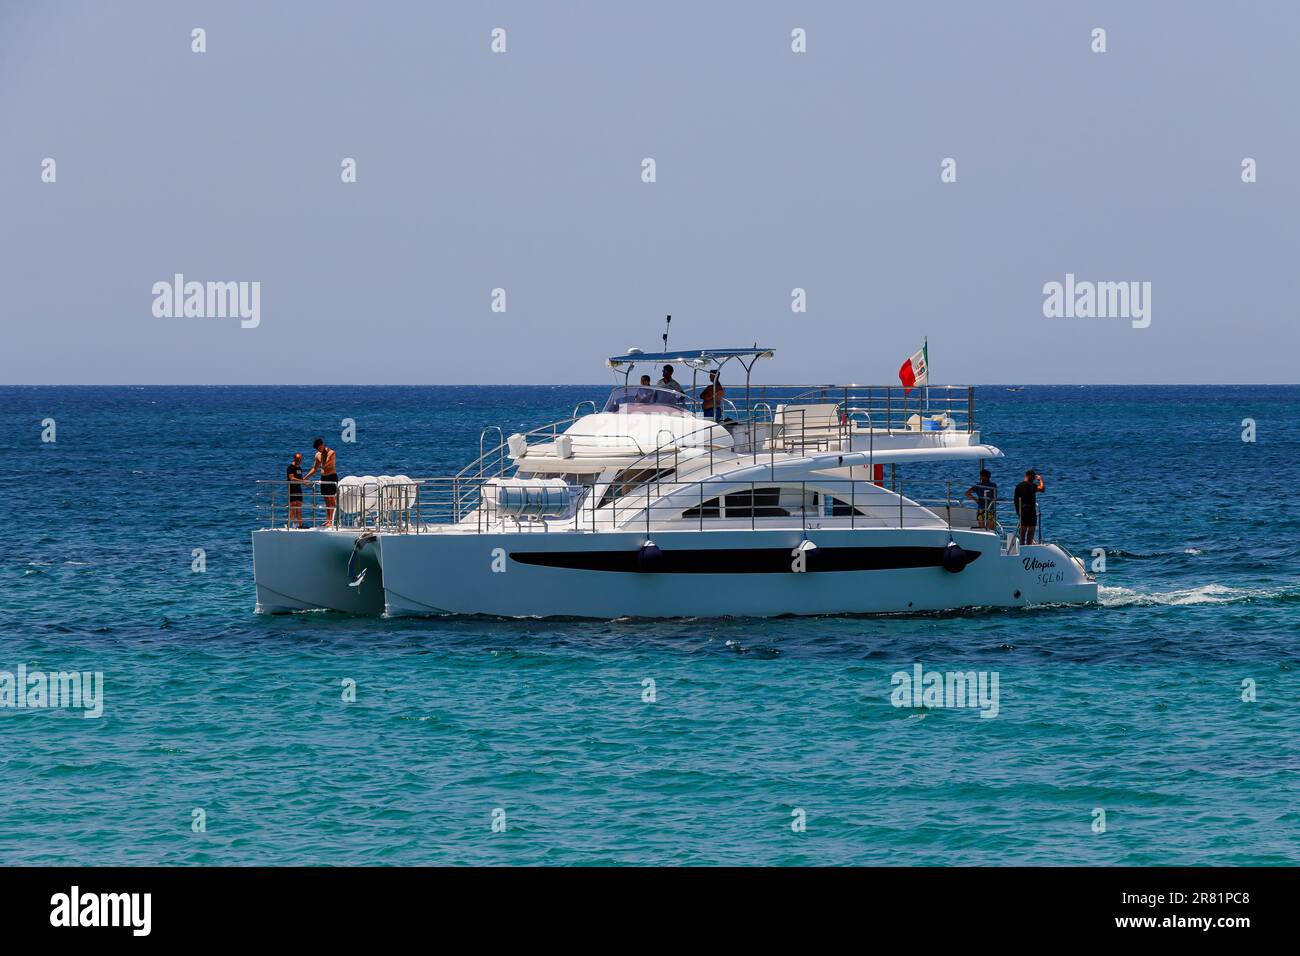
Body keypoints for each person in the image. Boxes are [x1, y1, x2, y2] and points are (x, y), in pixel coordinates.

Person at [304, 437, 339, 526]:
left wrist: (323, 453)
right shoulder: (317, 454)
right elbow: (315, 468)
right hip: (324, 478)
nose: (319, 450)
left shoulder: (331, 453)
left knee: (332, 499)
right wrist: (306, 477)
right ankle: (328, 520)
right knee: (326, 500)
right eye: (317, 449)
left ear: (323, 445)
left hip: (331, 477)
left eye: (320, 448)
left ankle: (332, 520)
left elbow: (324, 464)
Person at [1014, 469, 1045, 544]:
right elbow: (1042, 489)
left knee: (1022, 532)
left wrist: (1017, 511)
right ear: (1030, 476)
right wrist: (1040, 479)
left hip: (1022, 510)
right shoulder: (1032, 485)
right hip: (1031, 510)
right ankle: (1029, 547)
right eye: (1034, 477)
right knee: (1031, 531)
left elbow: (1015, 500)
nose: (1034, 479)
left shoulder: (1019, 486)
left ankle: (1021, 547)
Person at [286, 452, 305, 528]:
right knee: (292, 506)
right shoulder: (290, 467)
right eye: (298, 459)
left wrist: (305, 482)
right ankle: (294, 523)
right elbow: (291, 478)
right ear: (295, 459)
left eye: (300, 459)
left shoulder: (299, 468)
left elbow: (300, 478)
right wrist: (302, 481)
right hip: (292, 489)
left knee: (299, 506)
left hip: (298, 489)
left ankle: (300, 524)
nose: (300, 461)